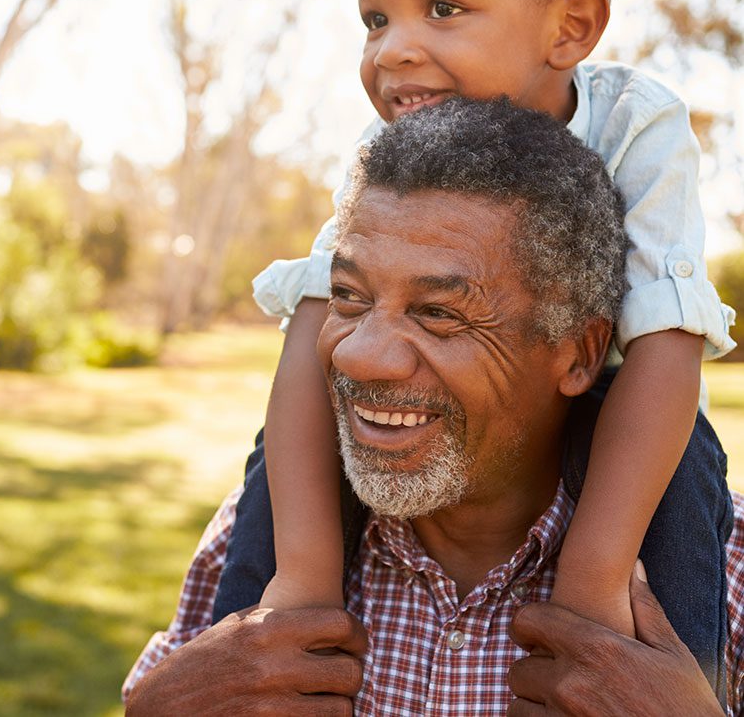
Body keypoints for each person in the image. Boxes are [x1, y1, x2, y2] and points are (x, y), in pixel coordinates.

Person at [211, 0, 737, 698]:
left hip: (618, 405)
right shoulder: (387, 154)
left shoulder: (637, 125)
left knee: (687, 476)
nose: (393, 52)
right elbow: (314, 326)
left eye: (442, 8)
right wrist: (302, 574)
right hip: (464, 425)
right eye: (375, 19)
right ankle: (242, 675)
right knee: (283, 449)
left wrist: (593, 584)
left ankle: (668, 682)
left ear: (571, 27)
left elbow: (668, 344)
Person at [123, 101, 743, 715]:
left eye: (439, 313)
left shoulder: (723, 570)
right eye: (348, 297)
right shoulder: (256, 536)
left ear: (579, 354)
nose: (362, 357)